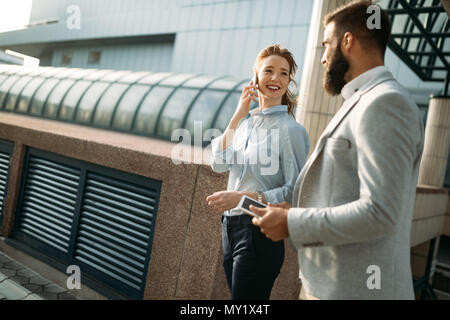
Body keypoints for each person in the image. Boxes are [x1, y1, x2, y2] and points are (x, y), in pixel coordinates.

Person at [250, 1, 424, 300]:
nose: (323, 57)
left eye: (326, 44)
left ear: (347, 41)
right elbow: (349, 194)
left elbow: (381, 212)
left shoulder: (385, 103)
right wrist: (297, 211)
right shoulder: (364, 99)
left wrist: (293, 223)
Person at [206, 44, 309, 300]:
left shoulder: (291, 131)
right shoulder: (245, 125)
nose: (275, 78)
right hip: (230, 227)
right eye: (269, 71)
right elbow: (218, 163)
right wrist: (238, 114)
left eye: (284, 73)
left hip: (260, 232)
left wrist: (243, 198)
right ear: (255, 77)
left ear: (289, 82)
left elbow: (296, 190)